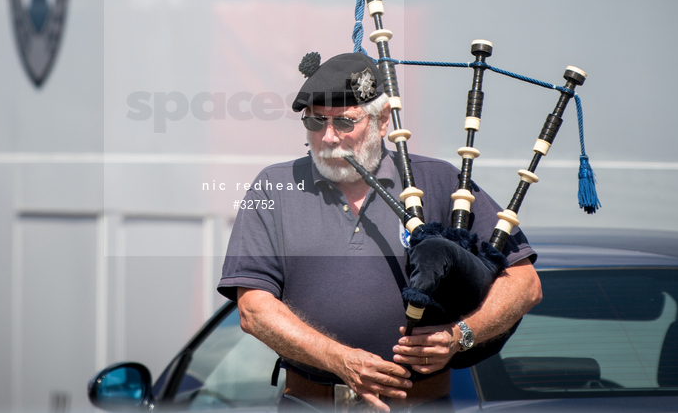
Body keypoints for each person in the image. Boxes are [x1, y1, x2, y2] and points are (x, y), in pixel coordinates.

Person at [218, 52, 542, 411]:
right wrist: (339, 358)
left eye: (344, 122)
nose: (328, 137)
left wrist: (461, 335)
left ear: (382, 120)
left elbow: (524, 283)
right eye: (314, 122)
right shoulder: (272, 186)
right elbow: (253, 308)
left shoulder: (440, 181)